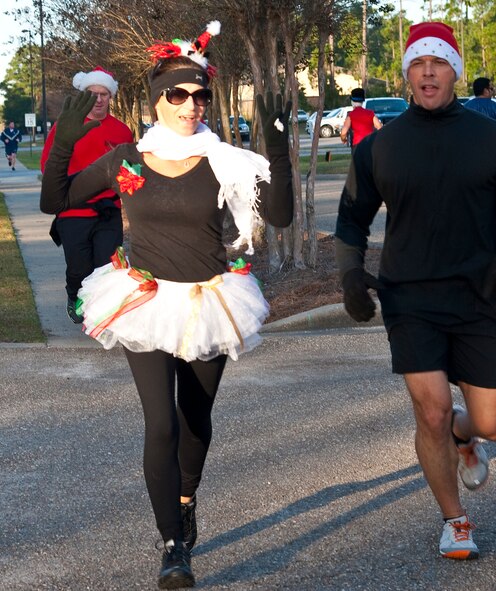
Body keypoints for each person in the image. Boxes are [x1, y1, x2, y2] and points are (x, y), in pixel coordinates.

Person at [40, 21, 293, 589]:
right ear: (157, 100)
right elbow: (53, 199)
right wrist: (63, 139)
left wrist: (274, 149)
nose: (190, 104)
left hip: (209, 299)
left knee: (195, 419)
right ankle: (173, 545)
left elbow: (277, 217)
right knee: (160, 424)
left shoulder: (224, 160)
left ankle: (186, 496)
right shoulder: (128, 158)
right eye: (177, 94)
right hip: (145, 299)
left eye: (199, 94)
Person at [335, 22, 496, 561]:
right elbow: (351, 219)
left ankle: (466, 438)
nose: (428, 71)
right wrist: (351, 274)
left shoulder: (494, 139)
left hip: (480, 296)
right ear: (407, 75)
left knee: (492, 421)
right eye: (418, 63)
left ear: (454, 72)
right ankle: (456, 521)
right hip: (410, 297)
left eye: (439, 62)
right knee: (431, 412)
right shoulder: (380, 147)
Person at [41, 67, 134, 323]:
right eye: (93, 93)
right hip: (73, 210)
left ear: (110, 97)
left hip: (108, 210)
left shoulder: (122, 131)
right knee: (79, 269)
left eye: (104, 93)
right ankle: (74, 295)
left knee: (107, 267)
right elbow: (48, 165)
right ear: (84, 95)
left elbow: (130, 170)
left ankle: (100, 316)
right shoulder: (66, 127)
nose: (99, 99)